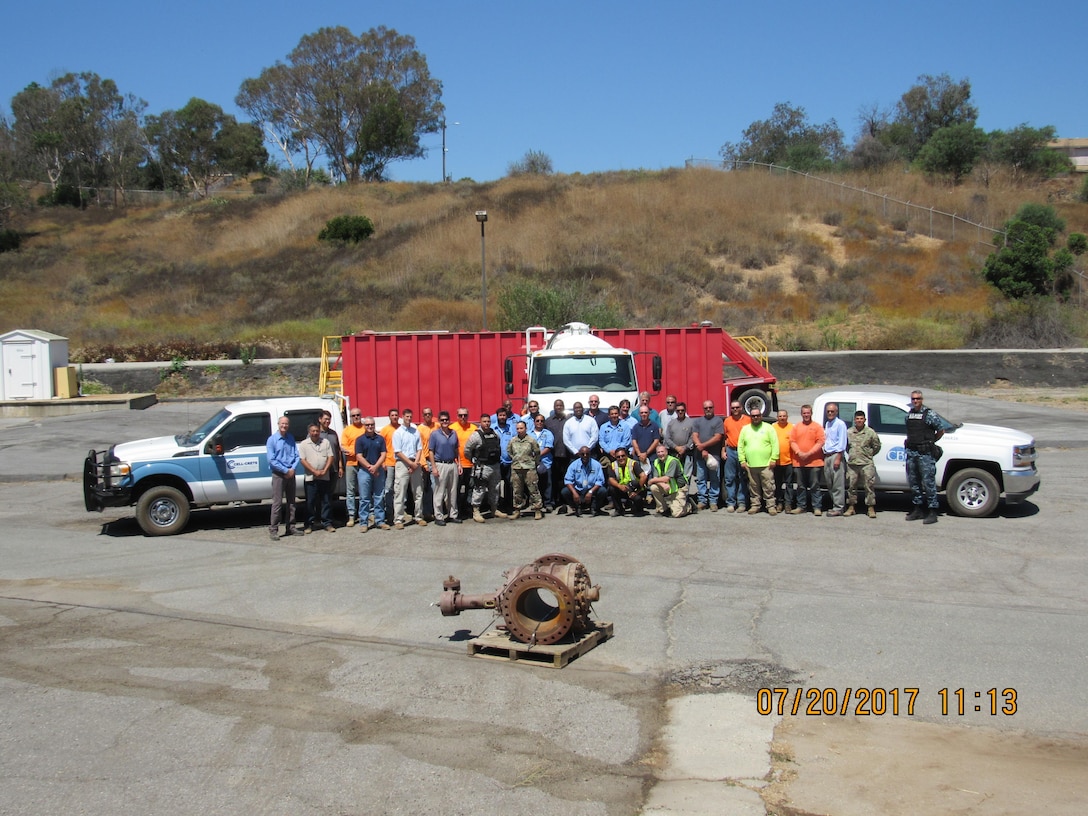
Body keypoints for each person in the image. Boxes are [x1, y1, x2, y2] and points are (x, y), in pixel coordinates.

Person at [905, 390, 944, 524]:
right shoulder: (909, 414)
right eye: (913, 399)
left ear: (922, 399)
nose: (915, 401)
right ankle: (918, 509)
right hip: (912, 452)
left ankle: (932, 511)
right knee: (914, 482)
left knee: (928, 483)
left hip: (925, 454)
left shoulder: (929, 414)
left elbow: (940, 430)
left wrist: (930, 441)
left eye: (918, 398)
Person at [463, 413, 507, 523]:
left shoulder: (495, 433)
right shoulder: (476, 435)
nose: (487, 423)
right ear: (480, 422)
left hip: (495, 466)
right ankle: (476, 511)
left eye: (488, 421)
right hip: (482, 467)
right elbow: (467, 450)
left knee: (495, 488)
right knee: (479, 489)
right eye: (484, 421)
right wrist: (474, 460)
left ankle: (494, 509)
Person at [738, 408, 779, 515]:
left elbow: (775, 444)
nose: (755, 417)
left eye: (757, 415)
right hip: (751, 465)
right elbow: (740, 446)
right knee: (753, 487)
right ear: (750, 417)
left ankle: (771, 506)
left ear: (761, 416)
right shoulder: (745, 429)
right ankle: (755, 505)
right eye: (753, 416)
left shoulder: (768, 428)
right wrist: (742, 460)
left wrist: (774, 459)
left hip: (766, 465)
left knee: (769, 487)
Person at [392, 408, 427, 530]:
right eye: (407, 416)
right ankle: (398, 519)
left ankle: (419, 516)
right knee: (400, 492)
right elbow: (398, 451)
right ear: (403, 417)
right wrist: (410, 464)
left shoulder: (415, 431)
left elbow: (419, 449)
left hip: (415, 463)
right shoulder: (398, 433)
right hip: (402, 463)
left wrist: (415, 463)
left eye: (410, 416)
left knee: (418, 491)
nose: (409, 419)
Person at [267, 415, 301, 540]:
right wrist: (285, 470)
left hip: (291, 473)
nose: (284, 426)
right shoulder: (272, 440)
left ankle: (291, 527)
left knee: (292, 502)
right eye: (282, 423)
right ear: (278, 424)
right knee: (277, 503)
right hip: (279, 474)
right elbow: (271, 460)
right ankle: (274, 529)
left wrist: (292, 469)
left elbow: (297, 455)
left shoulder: (290, 438)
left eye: (286, 424)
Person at [298, 422, 335, 533]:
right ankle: (309, 524)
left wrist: (324, 470)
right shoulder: (304, 444)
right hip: (310, 477)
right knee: (310, 502)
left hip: (324, 476)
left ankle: (327, 523)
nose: (315, 433)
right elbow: (302, 460)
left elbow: (330, 457)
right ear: (309, 432)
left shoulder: (325, 442)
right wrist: (314, 471)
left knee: (326, 501)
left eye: (317, 431)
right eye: (313, 431)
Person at [789, 405, 825, 515]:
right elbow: (792, 441)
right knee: (800, 486)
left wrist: (809, 453)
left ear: (811, 413)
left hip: (814, 462)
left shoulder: (817, 427)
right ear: (801, 414)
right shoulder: (796, 427)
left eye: (808, 413)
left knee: (815, 486)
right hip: (799, 462)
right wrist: (799, 453)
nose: (806, 415)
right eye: (804, 413)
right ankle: (801, 506)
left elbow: (820, 442)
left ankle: (817, 507)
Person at [355, 417, 390, 530]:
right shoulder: (360, 440)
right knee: (364, 498)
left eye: (372, 425)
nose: (370, 427)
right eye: (367, 425)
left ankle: (380, 521)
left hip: (378, 470)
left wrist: (376, 467)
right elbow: (359, 456)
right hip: (364, 471)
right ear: (364, 426)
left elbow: (383, 453)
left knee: (379, 496)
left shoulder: (380, 438)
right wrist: (370, 467)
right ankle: (364, 523)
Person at [428, 411, 462, 526]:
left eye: (446, 419)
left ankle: (453, 514)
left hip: (452, 464)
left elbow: (457, 450)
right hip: (440, 464)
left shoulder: (454, 433)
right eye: (442, 420)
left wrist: (459, 464)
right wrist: (433, 467)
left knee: (452, 491)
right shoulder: (435, 434)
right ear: (439, 421)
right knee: (439, 492)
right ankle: (439, 516)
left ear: (449, 420)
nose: (444, 422)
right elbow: (431, 451)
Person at [846, 410, 882, 518]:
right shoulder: (849, 432)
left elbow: (877, 446)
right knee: (851, 486)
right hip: (852, 464)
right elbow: (847, 446)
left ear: (865, 420)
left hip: (866, 463)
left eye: (861, 419)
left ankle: (870, 508)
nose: (859, 421)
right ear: (854, 420)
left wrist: (868, 455)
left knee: (869, 486)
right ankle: (851, 507)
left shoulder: (870, 432)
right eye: (857, 419)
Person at [691, 400, 724, 511]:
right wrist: (701, 448)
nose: (708, 409)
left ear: (713, 408)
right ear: (703, 409)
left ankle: (713, 501)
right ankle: (702, 501)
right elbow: (694, 435)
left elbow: (718, 437)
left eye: (710, 407)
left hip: (714, 456)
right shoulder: (698, 421)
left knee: (715, 479)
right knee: (701, 479)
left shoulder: (718, 421)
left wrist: (703, 446)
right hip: (700, 456)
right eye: (706, 408)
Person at [507, 420, 544, 520]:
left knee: (533, 489)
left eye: (521, 428)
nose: (519, 430)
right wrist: (517, 459)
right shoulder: (513, 440)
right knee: (517, 490)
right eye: (518, 428)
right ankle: (517, 510)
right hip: (516, 468)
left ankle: (537, 509)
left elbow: (537, 453)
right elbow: (509, 452)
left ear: (526, 429)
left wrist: (533, 462)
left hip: (529, 468)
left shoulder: (531, 440)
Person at [721, 400, 751, 512]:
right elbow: (724, 437)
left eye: (737, 407)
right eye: (733, 408)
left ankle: (742, 503)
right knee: (730, 478)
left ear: (741, 408)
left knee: (742, 477)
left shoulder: (748, 420)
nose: (735, 409)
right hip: (731, 450)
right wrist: (723, 451)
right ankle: (731, 503)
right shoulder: (727, 421)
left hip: (743, 451)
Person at [647, 443, 689, 518]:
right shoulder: (656, 462)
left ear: (666, 452)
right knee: (653, 487)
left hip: (679, 488)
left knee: (676, 514)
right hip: (668, 486)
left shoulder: (673, 461)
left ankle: (689, 506)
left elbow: (666, 478)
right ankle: (662, 509)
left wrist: (652, 480)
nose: (660, 454)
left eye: (662, 452)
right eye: (658, 452)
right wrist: (661, 484)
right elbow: (656, 478)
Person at [561, 446, 606, 516]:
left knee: (602, 490)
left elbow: (600, 481)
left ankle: (594, 508)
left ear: (590, 454)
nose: (585, 456)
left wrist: (591, 492)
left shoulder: (596, 465)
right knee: (565, 491)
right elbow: (568, 480)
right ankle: (577, 508)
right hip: (578, 490)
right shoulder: (573, 465)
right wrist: (574, 493)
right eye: (583, 454)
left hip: (591, 489)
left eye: (587, 454)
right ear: (579, 454)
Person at [822, 402, 849, 517]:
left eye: (832, 411)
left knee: (838, 484)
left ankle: (839, 507)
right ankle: (835, 505)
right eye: (828, 411)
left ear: (837, 412)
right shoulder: (828, 423)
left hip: (836, 456)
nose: (830, 413)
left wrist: (838, 457)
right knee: (830, 483)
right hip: (827, 456)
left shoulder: (840, 424)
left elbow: (842, 442)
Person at [341, 409, 367, 527]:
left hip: (364, 464)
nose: (356, 417)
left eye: (358, 415)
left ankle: (366, 514)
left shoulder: (365, 428)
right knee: (350, 491)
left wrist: (359, 454)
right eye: (353, 415)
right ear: (350, 417)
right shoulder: (347, 430)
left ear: (361, 416)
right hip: (351, 464)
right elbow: (344, 448)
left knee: (365, 490)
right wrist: (357, 453)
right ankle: (351, 516)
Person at [662, 401, 695, 493]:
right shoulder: (671, 423)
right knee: (673, 475)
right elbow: (667, 438)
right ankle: (675, 495)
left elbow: (693, 437)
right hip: (674, 453)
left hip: (687, 454)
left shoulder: (691, 422)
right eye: (678, 410)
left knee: (686, 476)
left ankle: (686, 496)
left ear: (685, 410)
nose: (680, 412)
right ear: (676, 411)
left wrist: (684, 448)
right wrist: (676, 447)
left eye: (682, 410)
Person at [451, 408, 478, 519]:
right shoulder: (452, 428)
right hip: (458, 464)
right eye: (461, 415)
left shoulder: (474, 428)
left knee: (470, 488)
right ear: (457, 416)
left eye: (465, 415)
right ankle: (456, 510)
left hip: (471, 464)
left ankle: (467, 508)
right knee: (456, 489)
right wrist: (456, 463)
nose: (463, 417)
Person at [606, 447, 648, 516]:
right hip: (622, 488)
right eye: (618, 457)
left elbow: (643, 476)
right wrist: (619, 486)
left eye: (623, 456)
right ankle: (619, 510)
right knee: (612, 488)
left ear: (626, 455)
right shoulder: (612, 465)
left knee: (637, 500)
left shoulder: (633, 463)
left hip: (635, 488)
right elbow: (611, 479)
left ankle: (638, 508)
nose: (621, 458)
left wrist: (637, 491)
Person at [545, 399, 569, 513]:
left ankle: (565, 501)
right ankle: (554, 501)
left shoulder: (569, 420)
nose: (558, 407)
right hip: (553, 455)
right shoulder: (548, 421)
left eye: (560, 405)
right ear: (554, 407)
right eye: (557, 405)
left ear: (563, 407)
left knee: (566, 479)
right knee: (553, 480)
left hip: (566, 454)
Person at [318, 409, 343, 515]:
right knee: (320, 495)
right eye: (325, 419)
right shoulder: (315, 433)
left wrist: (340, 466)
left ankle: (328, 519)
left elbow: (338, 450)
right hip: (321, 470)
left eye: (329, 419)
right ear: (320, 420)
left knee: (330, 495)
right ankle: (319, 518)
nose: (327, 421)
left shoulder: (333, 434)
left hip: (333, 469)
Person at [493, 406, 517, 513]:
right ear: (497, 416)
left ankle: (509, 505)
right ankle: (497, 505)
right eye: (500, 415)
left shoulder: (512, 428)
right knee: (495, 484)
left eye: (504, 415)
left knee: (509, 484)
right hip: (497, 462)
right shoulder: (493, 429)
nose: (502, 417)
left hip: (509, 461)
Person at [529, 414, 555, 511]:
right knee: (534, 484)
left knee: (547, 484)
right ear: (534, 422)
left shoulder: (548, 433)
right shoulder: (529, 434)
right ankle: (535, 503)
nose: (539, 423)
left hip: (546, 462)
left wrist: (537, 455)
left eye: (541, 421)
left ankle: (548, 503)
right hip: (532, 463)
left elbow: (548, 447)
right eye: (537, 421)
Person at [416, 407, 438, 522]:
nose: (428, 416)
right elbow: (418, 447)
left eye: (429, 414)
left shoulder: (437, 426)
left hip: (435, 460)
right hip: (424, 460)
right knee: (425, 488)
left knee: (436, 486)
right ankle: (426, 512)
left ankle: (436, 510)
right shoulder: (419, 429)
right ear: (422, 416)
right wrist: (423, 464)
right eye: (425, 414)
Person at [771, 409, 795, 513]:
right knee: (777, 484)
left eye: (784, 416)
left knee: (789, 484)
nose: (782, 418)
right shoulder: (773, 427)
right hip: (776, 462)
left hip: (789, 461)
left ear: (787, 417)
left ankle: (788, 504)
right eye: (780, 416)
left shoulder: (792, 427)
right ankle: (779, 503)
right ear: (777, 417)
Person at [379, 407, 400, 522]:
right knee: (388, 488)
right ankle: (389, 512)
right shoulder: (385, 430)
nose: (395, 417)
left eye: (396, 415)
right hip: (389, 463)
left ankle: (400, 510)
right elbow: (381, 447)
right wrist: (383, 462)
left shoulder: (402, 429)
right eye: (392, 415)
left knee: (401, 489)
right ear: (389, 417)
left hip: (400, 463)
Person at [631, 405, 662, 474]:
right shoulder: (635, 427)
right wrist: (639, 454)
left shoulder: (654, 426)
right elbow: (634, 441)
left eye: (645, 412)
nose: (644, 414)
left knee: (652, 477)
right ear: (639, 414)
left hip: (651, 457)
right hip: (638, 457)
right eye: (642, 413)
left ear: (649, 413)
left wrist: (646, 453)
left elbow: (656, 441)